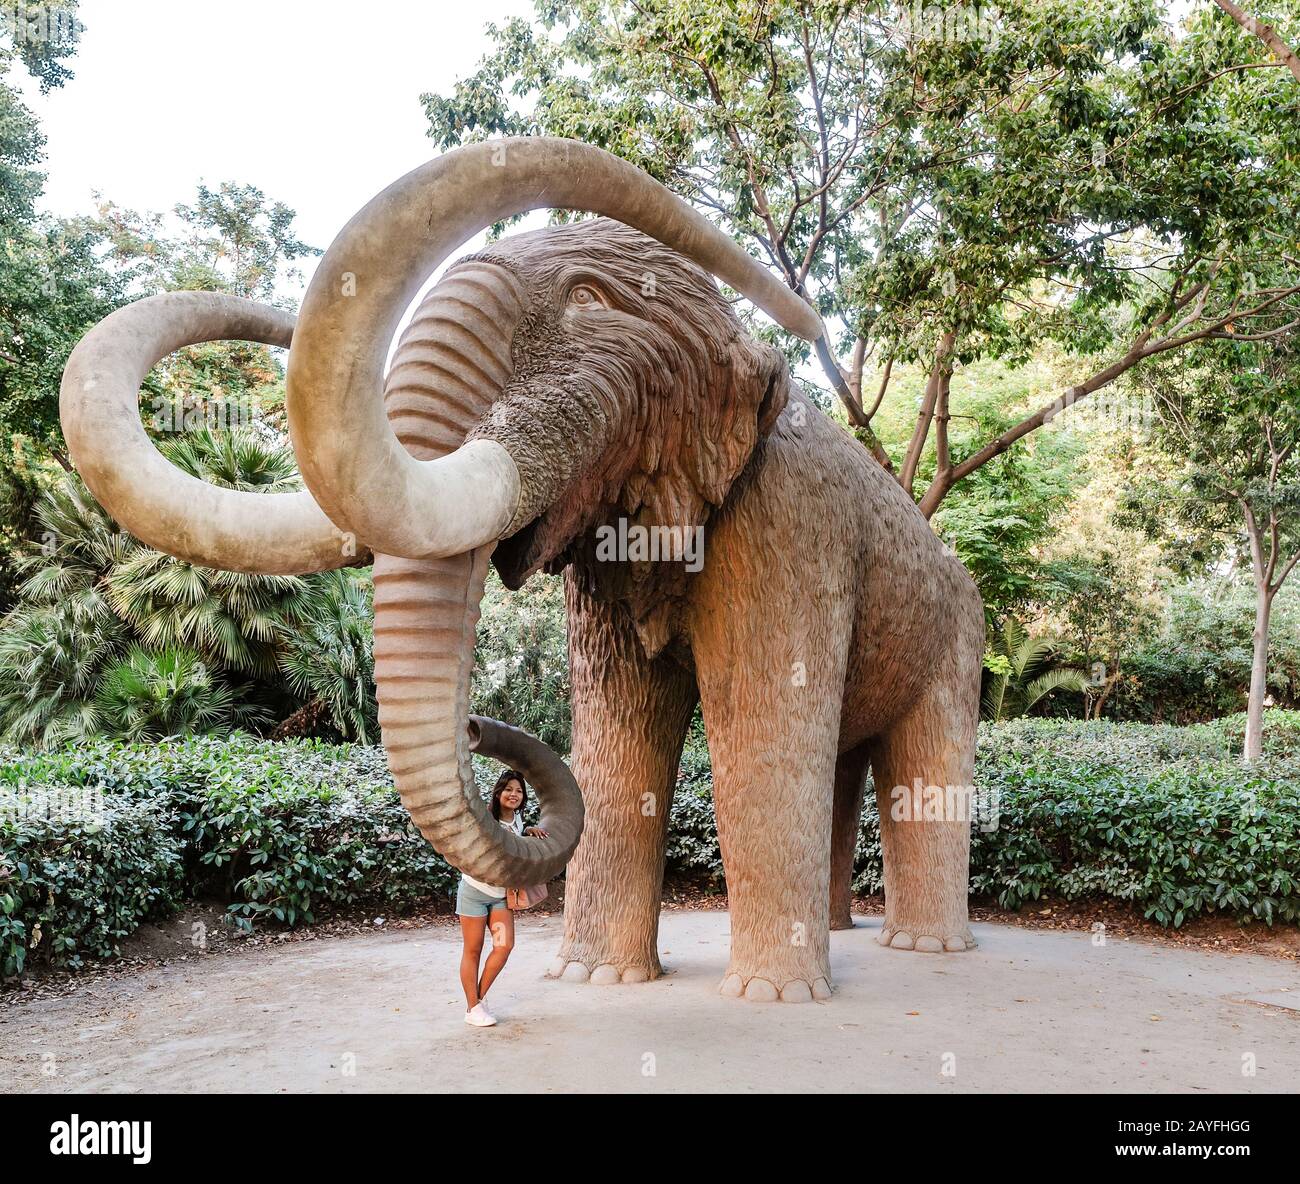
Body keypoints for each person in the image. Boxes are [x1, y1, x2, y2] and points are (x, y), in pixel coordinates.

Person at [457, 768, 548, 1027]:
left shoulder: (517, 821)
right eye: (509, 789)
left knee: (503, 946)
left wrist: (527, 830)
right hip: (474, 893)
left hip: (500, 897)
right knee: (473, 951)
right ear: (499, 792)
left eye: (519, 791)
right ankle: (473, 1007)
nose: (514, 794)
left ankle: (478, 1000)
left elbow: (513, 846)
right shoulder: (485, 818)